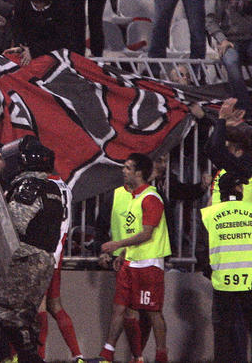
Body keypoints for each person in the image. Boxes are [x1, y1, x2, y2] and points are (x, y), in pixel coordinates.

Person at [0, 137, 64, 363]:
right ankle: (29, 355)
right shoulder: (52, 187)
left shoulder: (28, 185)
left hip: (26, 259)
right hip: (44, 259)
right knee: (23, 316)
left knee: (4, 314)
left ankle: (31, 358)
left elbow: (15, 223)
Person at [96, 153, 171, 363]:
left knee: (153, 312)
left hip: (149, 263)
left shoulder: (151, 198)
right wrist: (122, 254)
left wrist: (117, 245)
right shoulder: (133, 197)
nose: (123, 171)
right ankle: (109, 354)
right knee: (121, 308)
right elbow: (133, 231)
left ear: (139, 173)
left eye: (128, 168)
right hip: (131, 261)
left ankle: (161, 355)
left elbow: (147, 233)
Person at [199, 170, 252, 363]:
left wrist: (211, 271)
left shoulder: (209, 214)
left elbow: (202, 250)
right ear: (238, 189)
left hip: (223, 283)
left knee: (223, 331)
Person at [36, 149, 84, 363]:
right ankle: (77, 355)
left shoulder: (45, 187)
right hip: (58, 252)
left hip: (45, 251)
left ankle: (39, 357)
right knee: (55, 305)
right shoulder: (65, 187)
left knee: (40, 305)